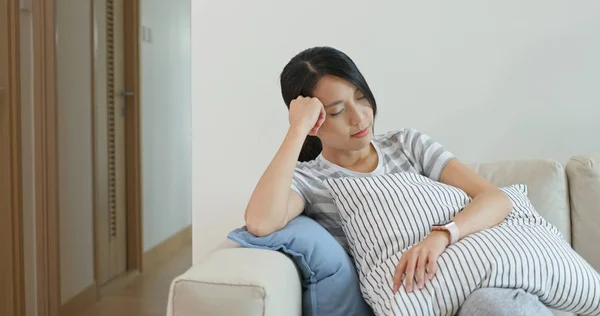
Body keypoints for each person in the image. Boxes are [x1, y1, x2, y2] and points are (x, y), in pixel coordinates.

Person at [244, 46, 552, 316]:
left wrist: (441, 236)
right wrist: (296, 130)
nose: (359, 117)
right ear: (315, 123)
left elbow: (495, 198)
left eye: (361, 97)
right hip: (415, 301)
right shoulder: (312, 180)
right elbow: (260, 222)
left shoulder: (407, 145)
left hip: (482, 279)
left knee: (498, 304)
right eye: (337, 111)